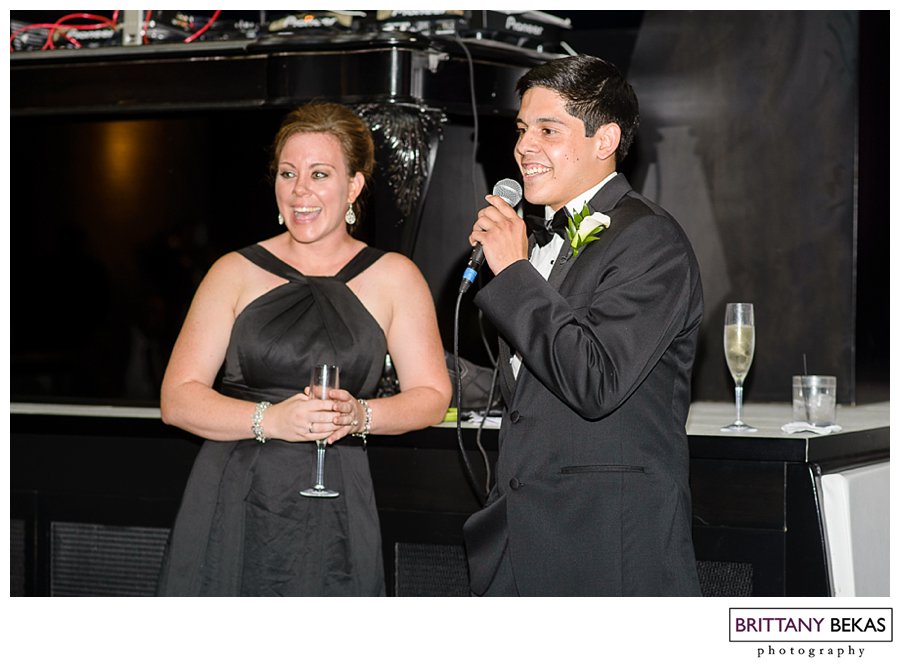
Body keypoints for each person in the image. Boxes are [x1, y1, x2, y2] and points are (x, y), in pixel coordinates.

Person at [157, 101, 451, 596]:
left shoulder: (395, 277)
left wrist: (361, 416)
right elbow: (177, 399)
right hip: (234, 491)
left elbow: (432, 396)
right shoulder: (234, 272)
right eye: (287, 173)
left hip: (336, 496)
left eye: (319, 174)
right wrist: (269, 420)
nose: (299, 190)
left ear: (353, 186)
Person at [463, 55, 704, 596]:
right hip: (518, 538)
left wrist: (515, 274)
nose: (524, 147)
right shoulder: (533, 240)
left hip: (606, 544)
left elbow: (596, 382)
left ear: (605, 140)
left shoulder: (650, 240)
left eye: (548, 130)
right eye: (522, 129)